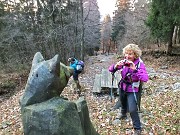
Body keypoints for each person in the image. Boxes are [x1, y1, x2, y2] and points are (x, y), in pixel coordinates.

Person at [108, 44, 149, 135]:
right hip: (122, 86)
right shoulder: (124, 62)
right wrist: (116, 66)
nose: (127, 56)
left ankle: (137, 128)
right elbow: (110, 69)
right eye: (126, 53)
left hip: (133, 89)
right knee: (122, 101)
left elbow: (145, 78)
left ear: (135, 55)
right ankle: (123, 114)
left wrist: (135, 70)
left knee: (133, 109)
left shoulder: (139, 64)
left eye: (130, 54)